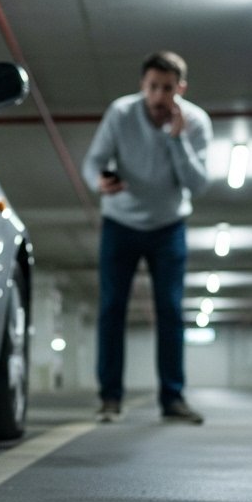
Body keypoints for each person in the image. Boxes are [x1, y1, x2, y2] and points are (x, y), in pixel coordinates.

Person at [81, 51, 211, 424]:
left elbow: (197, 184)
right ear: (142, 85)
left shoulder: (196, 122)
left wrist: (176, 140)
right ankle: (110, 397)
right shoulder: (121, 113)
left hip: (168, 227)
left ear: (180, 89)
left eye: (167, 89)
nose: (158, 97)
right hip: (120, 224)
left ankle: (172, 398)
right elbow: (93, 161)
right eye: (152, 87)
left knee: (170, 311)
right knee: (111, 309)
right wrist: (99, 182)